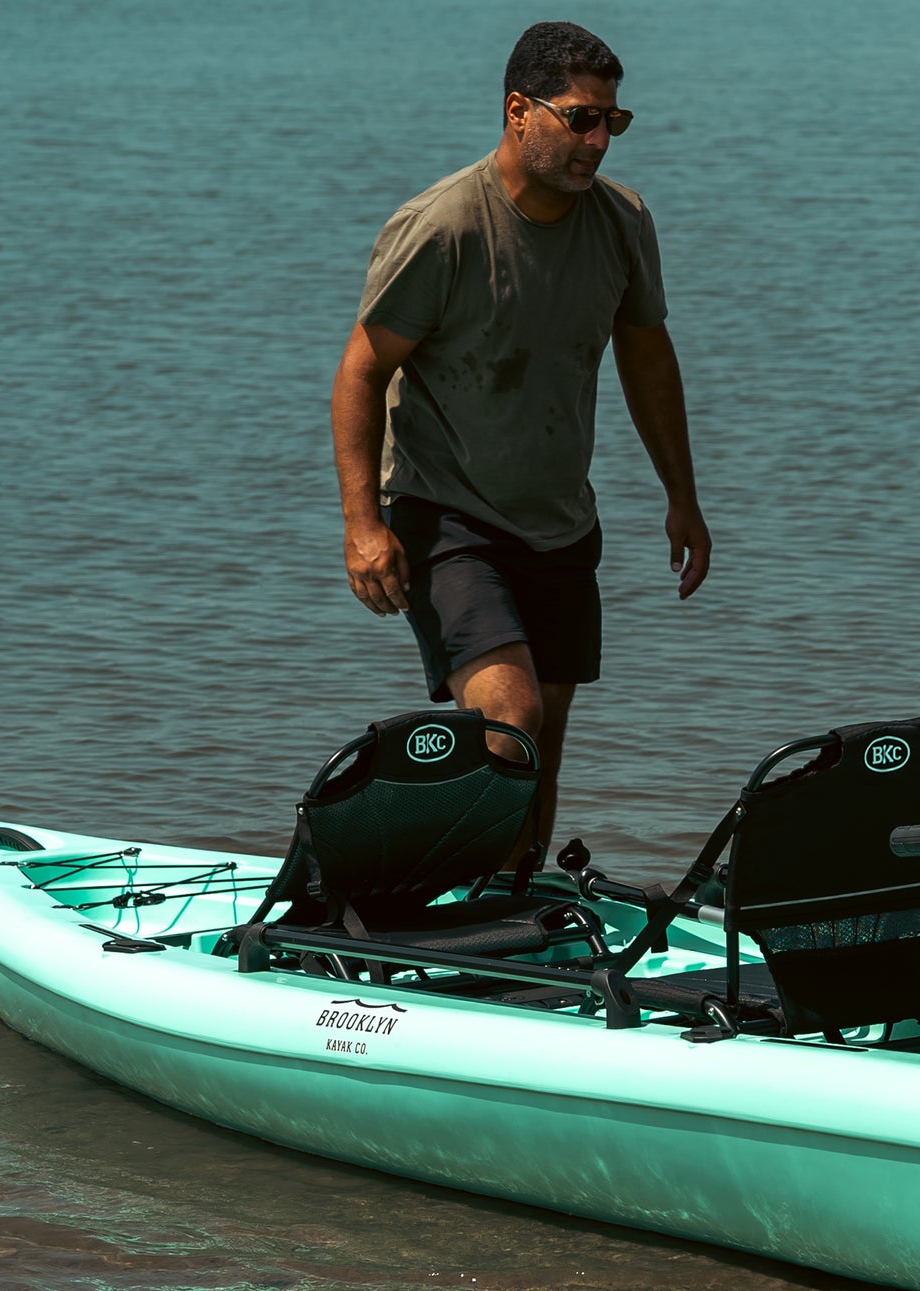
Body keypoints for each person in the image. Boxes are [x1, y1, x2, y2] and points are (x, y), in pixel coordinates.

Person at [331, 20, 711, 860]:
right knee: (511, 713)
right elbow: (360, 370)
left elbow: (647, 355)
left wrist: (682, 496)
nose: (599, 140)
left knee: (542, 742)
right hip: (447, 511)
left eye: (613, 120)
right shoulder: (442, 229)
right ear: (518, 111)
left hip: (560, 520)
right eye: (580, 118)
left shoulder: (622, 224)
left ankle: (514, 900)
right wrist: (364, 525)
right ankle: (425, 885)